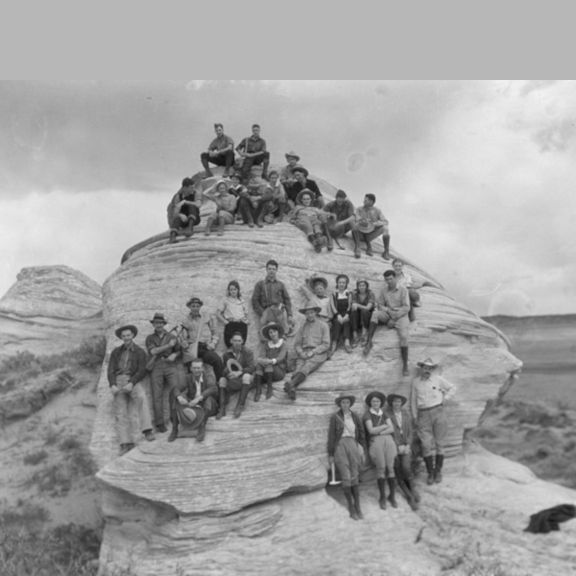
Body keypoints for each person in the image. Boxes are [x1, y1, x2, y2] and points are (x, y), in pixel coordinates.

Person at [108, 324, 155, 455]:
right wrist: (112, 384)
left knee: (141, 398)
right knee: (120, 411)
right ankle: (125, 442)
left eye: (128, 335)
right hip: (118, 381)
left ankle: (147, 430)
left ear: (133, 335)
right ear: (121, 338)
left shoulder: (140, 351)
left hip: (132, 380)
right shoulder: (116, 352)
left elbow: (142, 370)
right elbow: (110, 370)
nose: (126, 338)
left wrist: (132, 383)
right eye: (123, 336)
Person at [409, 358, 456, 485]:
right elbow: (413, 400)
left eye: (430, 368)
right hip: (423, 414)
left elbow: (452, 388)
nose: (427, 370)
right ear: (421, 368)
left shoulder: (438, 379)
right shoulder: (415, 382)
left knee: (440, 443)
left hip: (438, 412)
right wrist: (414, 416)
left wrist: (445, 399)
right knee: (426, 444)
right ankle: (430, 472)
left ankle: (438, 471)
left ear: (432, 370)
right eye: (425, 368)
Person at [363, 270, 411, 377]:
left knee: (403, 336)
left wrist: (395, 317)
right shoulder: (384, 290)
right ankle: (369, 342)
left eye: (391, 279)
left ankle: (405, 365)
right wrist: (388, 312)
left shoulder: (403, 290)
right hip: (389, 313)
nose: (389, 281)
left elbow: (406, 307)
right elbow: (380, 304)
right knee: (375, 314)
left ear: (395, 278)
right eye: (387, 279)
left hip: (401, 316)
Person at [327, 394, 367, 520]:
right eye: (343, 402)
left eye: (347, 402)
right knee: (346, 476)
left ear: (350, 404)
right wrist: (331, 453)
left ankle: (358, 506)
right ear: (340, 404)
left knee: (355, 474)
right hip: (340, 445)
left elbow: (361, 432)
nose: (345, 404)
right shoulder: (335, 417)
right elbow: (332, 436)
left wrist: (362, 448)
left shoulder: (355, 416)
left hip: (353, 444)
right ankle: (351, 507)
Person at [284, 302, 330, 400]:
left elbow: (326, 344)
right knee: (298, 367)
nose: (310, 315)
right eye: (307, 313)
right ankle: (292, 389)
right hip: (304, 352)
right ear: (305, 314)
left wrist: (313, 351)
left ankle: (291, 384)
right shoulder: (303, 327)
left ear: (316, 313)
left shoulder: (323, 325)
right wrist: (301, 352)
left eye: (312, 312)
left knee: (307, 366)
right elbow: (297, 344)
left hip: (318, 353)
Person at [145, 313, 183, 433]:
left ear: (164, 324)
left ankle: (175, 417)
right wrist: (168, 345)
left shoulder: (172, 336)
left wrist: (174, 355)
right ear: (153, 324)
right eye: (156, 323)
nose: (158, 325)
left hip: (170, 365)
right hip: (156, 365)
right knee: (157, 395)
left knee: (176, 390)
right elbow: (153, 351)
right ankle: (160, 423)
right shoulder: (150, 338)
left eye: (160, 323)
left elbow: (179, 351)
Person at [168, 358, 219, 443]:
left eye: (198, 368)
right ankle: (174, 429)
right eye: (194, 368)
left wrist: (200, 398)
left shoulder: (208, 377)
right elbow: (176, 389)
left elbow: (213, 388)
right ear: (191, 369)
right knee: (175, 399)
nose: (196, 370)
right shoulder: (188, 377)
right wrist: (179, 397)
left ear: (202, 368)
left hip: (209, 406)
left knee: (208, 399)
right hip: (193, 403)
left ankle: (202, 427)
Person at [363, 391, 398, 509]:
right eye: (373, 401)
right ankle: (382, 497)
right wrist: (383, 426)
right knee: (381, 468)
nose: (375, 403)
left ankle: (392, 496)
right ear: (370, 403)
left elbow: (392, 428)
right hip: (376, 442)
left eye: (378, 401)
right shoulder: (367, 414)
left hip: (388, 440)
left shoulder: (385, 413)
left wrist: (380, 430)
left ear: (381, 402)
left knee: (391, 467)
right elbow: (371, 431)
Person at [387, 393, 419, 510]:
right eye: (395, 401)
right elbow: (388, 432)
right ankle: (409, 497)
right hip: (393, 446)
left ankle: (413, 488)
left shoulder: (406, 415)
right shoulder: (388, 415)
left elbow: (410, 432)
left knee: (406, 467)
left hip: (405, 446)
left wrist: (408, 445)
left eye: (399, 402)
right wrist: (396, 445)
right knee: (398, 470)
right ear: (391, 403)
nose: (397, 404)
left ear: (401, 403)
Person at [179, 297, 224, 380]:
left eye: (197, 306)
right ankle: (193, 391)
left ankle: (220, 386)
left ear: (200, 307)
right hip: (192, 349)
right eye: (193, 306)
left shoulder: (207, 317)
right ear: (189, 307)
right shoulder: (186, 320)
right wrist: (183, 343)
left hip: (205, 348)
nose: (195, 308)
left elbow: (215, 332)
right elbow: (182, 336)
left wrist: (213, 343)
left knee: (217, 360)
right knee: (191, 369)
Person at [252, 259, 294, 337]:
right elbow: (255, 301)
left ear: (276, 270)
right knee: (266, 336)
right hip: (266, 312)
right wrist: (263, 313)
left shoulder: (280, 285)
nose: (271, 271)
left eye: (274, 269)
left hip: (279, 313)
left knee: (281, 335)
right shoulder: (260, 284)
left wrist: (289, 314)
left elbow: (287, 300)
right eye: (270, 269)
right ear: (266, 269)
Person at [218, 332, 256, 418]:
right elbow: (223, 371)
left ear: (242, 341)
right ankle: (222, 408)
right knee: (222, 380)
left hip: (246, 379)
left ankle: (240, 406)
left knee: (246, 376)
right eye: (235, 340)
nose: (237, 343)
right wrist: (227, 372)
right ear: (231, 341)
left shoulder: (248, 352)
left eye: (239, 341)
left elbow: (252, 368)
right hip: (234, 379)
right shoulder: (226, 354)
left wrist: (240, 372)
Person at [253, 322, 288, 401]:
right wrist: (262, 360)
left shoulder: (283, 344)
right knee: (259, 365)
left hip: (279, 370)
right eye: (270, 332)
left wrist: (270, 361)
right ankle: (258, 390)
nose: (273, 334)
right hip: (268, 370)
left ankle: (269, 388)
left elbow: (281, 357)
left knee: (268, 365)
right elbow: (262, 355)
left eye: (274, 331)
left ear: (278, 332)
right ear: (269, 335)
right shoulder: (266, 344)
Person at [355, 193, 391, 259]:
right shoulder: (359, 209)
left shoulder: (377, 210)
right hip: (360, 234)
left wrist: (374, 223)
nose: (363, 201)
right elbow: (356, 219)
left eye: (366, 200)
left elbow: (385, 222)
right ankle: (358, 247)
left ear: (371, 202)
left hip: (370, 234)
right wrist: (362, 221)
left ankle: (386, 251)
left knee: (385, 228)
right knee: (355, 226)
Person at [167, 177, 201, 243]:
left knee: (192, 206)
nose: (193, 189)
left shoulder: (196, 193)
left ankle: (190, 229)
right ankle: (172, 237)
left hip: (194, 218)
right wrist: (180, 215)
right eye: (191, 187)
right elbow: (175, 213)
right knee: (177, 219)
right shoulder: (178, 197)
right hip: (184, 219)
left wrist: (185, 202)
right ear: (185, 188)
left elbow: (198, 204)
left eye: (193, 187)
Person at [216, 280, 249, 348]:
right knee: (229, 344)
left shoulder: (242, 301)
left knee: (241, 344)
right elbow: (218, 313)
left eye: (235, 289)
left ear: (238, 290)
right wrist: (225, 321)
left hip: (241, 325)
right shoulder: (226, 301)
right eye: (231, 289)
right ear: (229, 291)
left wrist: (245, 321)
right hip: (231, 325)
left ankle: (239, 358)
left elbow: (246, 313)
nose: (233, 291)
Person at [329, 274, 353, 355]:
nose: (342, 284)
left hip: (346, 313)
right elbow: (332, 306)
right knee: (336, 322)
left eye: (343, 282)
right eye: (340, 282)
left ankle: (347, 342)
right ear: (337, 283)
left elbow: (350, 306)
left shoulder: (348, 293)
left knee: (347, 322)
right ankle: (334, 343)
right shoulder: (334, 294)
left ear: (346, 284)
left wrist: (347, 315)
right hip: (337, 314)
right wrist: (337, 315)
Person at [351, 279, 375, 346]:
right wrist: (356, 306)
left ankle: (364, 334)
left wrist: (358, 305)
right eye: (360, 285)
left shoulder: (370, 293)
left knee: (364, 311)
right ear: (357, 287)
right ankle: (355, 336)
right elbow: (353, 306)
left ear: (366, 286)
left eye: (363, 285)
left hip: (367, 317)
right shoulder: (355, 293)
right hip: (358, 318)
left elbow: (368, 307)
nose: (362, 287)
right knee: (353, 312)